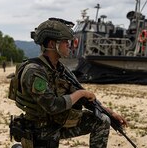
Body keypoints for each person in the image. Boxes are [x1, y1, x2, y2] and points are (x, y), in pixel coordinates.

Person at [8, 18, 127, 148]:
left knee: (102, 120)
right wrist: (81, 93)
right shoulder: (34, 71)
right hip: (39, 130)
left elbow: (84, 98)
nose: (69, 45)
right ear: (53, 45)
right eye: (66, 42)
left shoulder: (59, 69)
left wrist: (109, 112)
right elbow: (52, 106)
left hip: (57, 122)